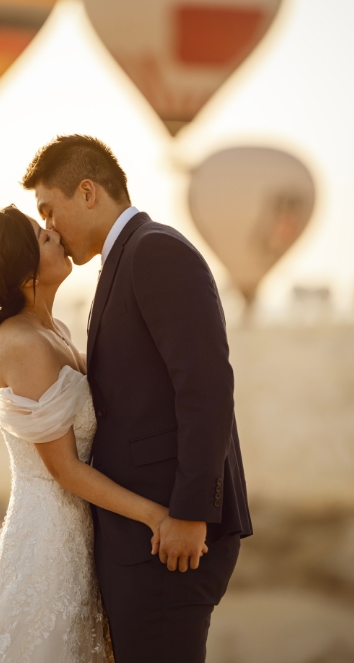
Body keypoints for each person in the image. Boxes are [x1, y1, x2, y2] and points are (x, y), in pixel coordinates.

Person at [22, 135, 251, 662]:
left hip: (172, 538)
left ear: (87, 192)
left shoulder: (156, 250)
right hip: (146, 538)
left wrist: (193, 513)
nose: (49, 228)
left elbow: (207, 387)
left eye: (49, 210)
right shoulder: (123, 261)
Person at [0, 205, 178, 661]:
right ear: (21, 271)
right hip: (49, 535)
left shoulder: (53, 330)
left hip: (79, 528)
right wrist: (155, 514)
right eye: (41, 236)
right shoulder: (24, 345)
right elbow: (65, 469)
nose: (54, 233)